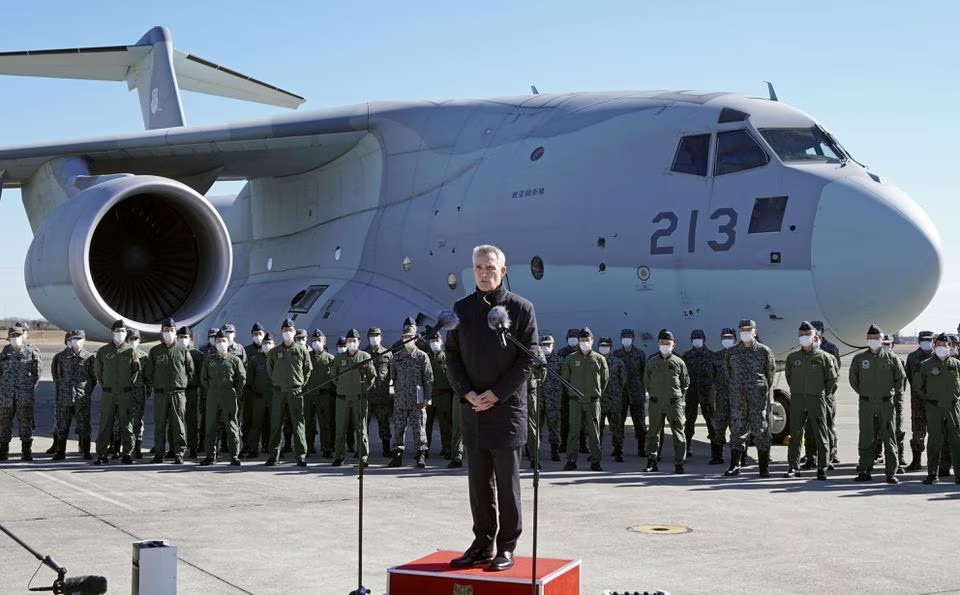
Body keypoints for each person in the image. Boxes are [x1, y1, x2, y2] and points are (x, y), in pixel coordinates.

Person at [446, 244, 537, 572]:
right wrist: (467, 392)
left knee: (507, 484)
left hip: (506, 409)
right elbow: (452, 356)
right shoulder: (462, 308)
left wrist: (496, 394)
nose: (483, 273)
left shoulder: (521, 309)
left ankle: (507, 546)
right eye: (478, 268)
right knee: (478, 482)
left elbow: (528, 358)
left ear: (503, 270)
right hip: (473, 409)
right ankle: (482, 543)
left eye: (490, 267)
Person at [849, 324, 903, 483]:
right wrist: (865, 393)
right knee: (866, 436)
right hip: (866, 403)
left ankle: (891, 472)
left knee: (889, 436)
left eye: (876, 338)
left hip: (886, 403)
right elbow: (854, 380)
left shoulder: (891, 358)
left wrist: (890, 394)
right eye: (870, 338)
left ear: (882, 340)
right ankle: (865, 470)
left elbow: (900, 379)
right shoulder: (860, 359)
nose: (873, 341)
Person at [783, 322, 838, 480]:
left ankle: (822, 468)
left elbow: (832, 380)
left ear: (815, 337)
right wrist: (798, 390)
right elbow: (789, 377)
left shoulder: (825, 357)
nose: (804, 337)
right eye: (801, 335)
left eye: (807, 335)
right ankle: (793, 467)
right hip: (798, 398)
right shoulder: (793, 358)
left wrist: (821, 393)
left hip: (817, 398)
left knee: (821, 433)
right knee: (795, 434)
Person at [724, 319, 776, 478]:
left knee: (761, 429)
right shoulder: (732, 352)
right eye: (742, 329)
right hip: (738, 398)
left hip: (757, 399)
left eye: (748, 329)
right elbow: (728, 374)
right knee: (737, 429)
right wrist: (737, 388)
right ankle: (735, 465)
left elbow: (770, 375)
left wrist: (758, 389)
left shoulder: (764, 351)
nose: (745, 332)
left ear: (755, 331)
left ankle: (763, 468)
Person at [144, 318, 195, 465]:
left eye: (171, 330)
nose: (169, 333)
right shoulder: (155, 351)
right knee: (159, 424)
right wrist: (157, 385)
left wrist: (180, 384)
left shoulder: (183, 351)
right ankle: (159, 454)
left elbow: (190, 371)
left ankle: (179, 454)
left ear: (175, 332)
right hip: (160, 393)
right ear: (161, 332)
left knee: (178, 425)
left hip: (178, 393)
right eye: (166, 330)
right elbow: (149, 372)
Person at [913, 332, 960, 485]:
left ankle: (958, 475)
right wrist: (929, 399)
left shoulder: (956, 365)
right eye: (939, 344)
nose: (942, 347)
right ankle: (932, 474)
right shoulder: (926, 365)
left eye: (945, 345)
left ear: (950, 346)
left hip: (953, 407)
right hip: (934, 408)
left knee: (956, 441)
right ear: (935, 345)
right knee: (934, 441)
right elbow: (918, 386)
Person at [561, 327, 608, 471]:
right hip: (575, 401)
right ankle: (571, 460)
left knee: (594, 432)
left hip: (593, 401)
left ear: (592, 341)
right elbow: (565, 379)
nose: (584, 343)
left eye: (587, 340)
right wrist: (572, 393)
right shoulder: (571, 359)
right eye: (582, 340)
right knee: (573, 431)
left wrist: (595, 393)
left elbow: (605, 380)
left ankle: (595, 460)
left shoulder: (599, 359)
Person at [93, 320, 140, 465]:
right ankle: (102, 453)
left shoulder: (131, 351)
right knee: (106, 423)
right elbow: (98, 372)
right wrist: (106, 385)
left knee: (127, 423)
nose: (121, 334)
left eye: (123, 331)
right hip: (109, 393)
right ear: (112, 332)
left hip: (125, 393)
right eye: (118, 331)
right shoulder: (103, 351)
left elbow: (135, 371)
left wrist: (127, 385)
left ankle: (127, 453)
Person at [643, 330, 689, 474]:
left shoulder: (678, 362)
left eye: (668, 343)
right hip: (656, 402)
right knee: (653, 433)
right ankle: (652, 462)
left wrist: (676, 395)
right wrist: (655, 393)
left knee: (678, 433)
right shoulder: (652, 362)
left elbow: (685, 382)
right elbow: (647, 381)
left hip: (673, 403)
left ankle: (679, 463)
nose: (665, 346)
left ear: (673, 345)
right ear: (658, 344)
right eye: (662, 343)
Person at [200, 329, 246, 466]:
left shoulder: (234, 360)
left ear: (228, 343)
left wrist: (235, 393)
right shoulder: (209, 360)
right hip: (213, 396)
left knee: (232, 426)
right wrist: (211, 390)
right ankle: (210, 456)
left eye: (223, 341)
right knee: (211, 426)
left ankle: (234, 456)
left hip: (229, 395)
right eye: (218, 341)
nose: (220, 343)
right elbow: (204, 378)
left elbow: (241, 378)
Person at [51, 330, 97, 461]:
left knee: (84, 425)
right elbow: (57, 377)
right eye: (73, 338)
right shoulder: (60, 357)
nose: (76, 341)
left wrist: (85, 392)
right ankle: (60, 451)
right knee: (62, 425)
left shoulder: (89, 358)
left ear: (84, 340)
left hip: (82, 398)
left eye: (79, 338)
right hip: (65, 397)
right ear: (68, 341)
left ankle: (86, 451)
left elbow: (93, 378)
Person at [0, 324, 41, 461]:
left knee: (26, 424)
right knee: (4, 423)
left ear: (22, 336)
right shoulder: (4, 353)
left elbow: (37, 373)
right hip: (6, 396)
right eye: (13, 336)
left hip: (24, 395)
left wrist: (28, 387)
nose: (15, 338)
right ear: (9, 338)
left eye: (18, 335)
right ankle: (3, 451)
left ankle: (26, 451)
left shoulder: (31, 352)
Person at [905, 331, 934, 471]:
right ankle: (916, 461)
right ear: (918, 341)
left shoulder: (939, 356)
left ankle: (938, 463)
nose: (926, 342)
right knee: (917, 432)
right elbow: (909, 377)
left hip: (935, 402)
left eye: (929, 340)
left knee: (938, 433)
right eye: (923, 340)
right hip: (918, 402)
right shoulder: (912, 357)